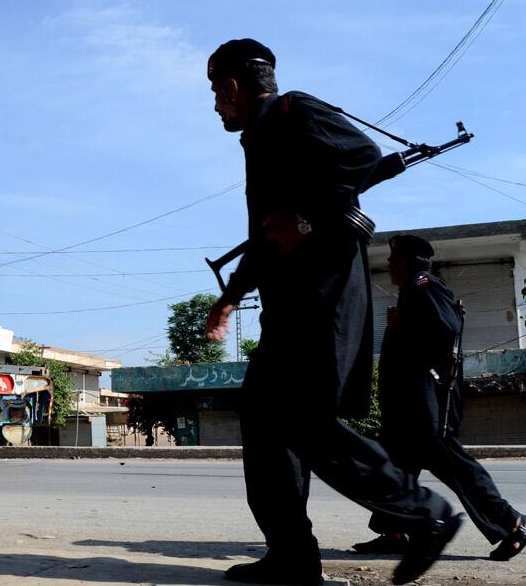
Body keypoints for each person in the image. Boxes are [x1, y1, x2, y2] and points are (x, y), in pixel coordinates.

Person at [203, 38, 462, 585]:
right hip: (287, 300)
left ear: (232, 87)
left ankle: (425, 515)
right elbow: (265, 235)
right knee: (267, 427)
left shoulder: (297, 112)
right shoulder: (261, 139)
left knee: (303, 421)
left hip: (322, 295)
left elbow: (364, 158)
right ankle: (292, 556)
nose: (215, 106)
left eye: (215, 93)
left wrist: (305, 219)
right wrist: (230, 297)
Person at [352, 234, 524, 561]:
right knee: (396, 468)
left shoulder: (424, 285)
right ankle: (396, 532)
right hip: (409, 405)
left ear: (403, 263)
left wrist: (404, 326)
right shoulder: (412, 290)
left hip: (425, 405)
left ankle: (513, 523)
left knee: (457, 470)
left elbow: (446, 330)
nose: (388, 266)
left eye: (392, 261)